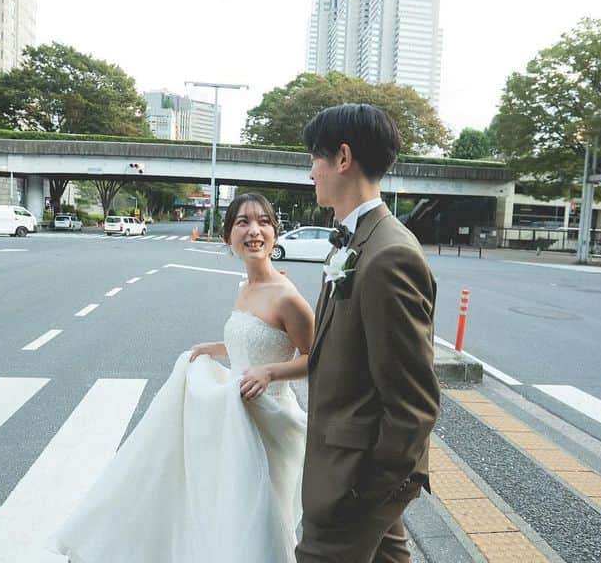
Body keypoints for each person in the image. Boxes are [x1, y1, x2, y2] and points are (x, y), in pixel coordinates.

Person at [47, 192, 314, 563]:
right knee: (225, 514)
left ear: (275, 232)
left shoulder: (287, 297)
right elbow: (253, 341)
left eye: (263, 222)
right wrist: (215, 348)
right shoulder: (246, 288)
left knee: (257, 521)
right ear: (227, 237)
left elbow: (315, 357)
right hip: (231, 418)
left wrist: (271, 372)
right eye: (243, 222)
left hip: (267, 425)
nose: (254, 231)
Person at [296, 104, 441, 563]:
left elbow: (414, 403)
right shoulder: (358, 240)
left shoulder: (387, 255)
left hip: (354, 480)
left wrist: (366, 491)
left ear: (342, 158)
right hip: (352, 466)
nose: (310, 170)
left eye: (314, 157)